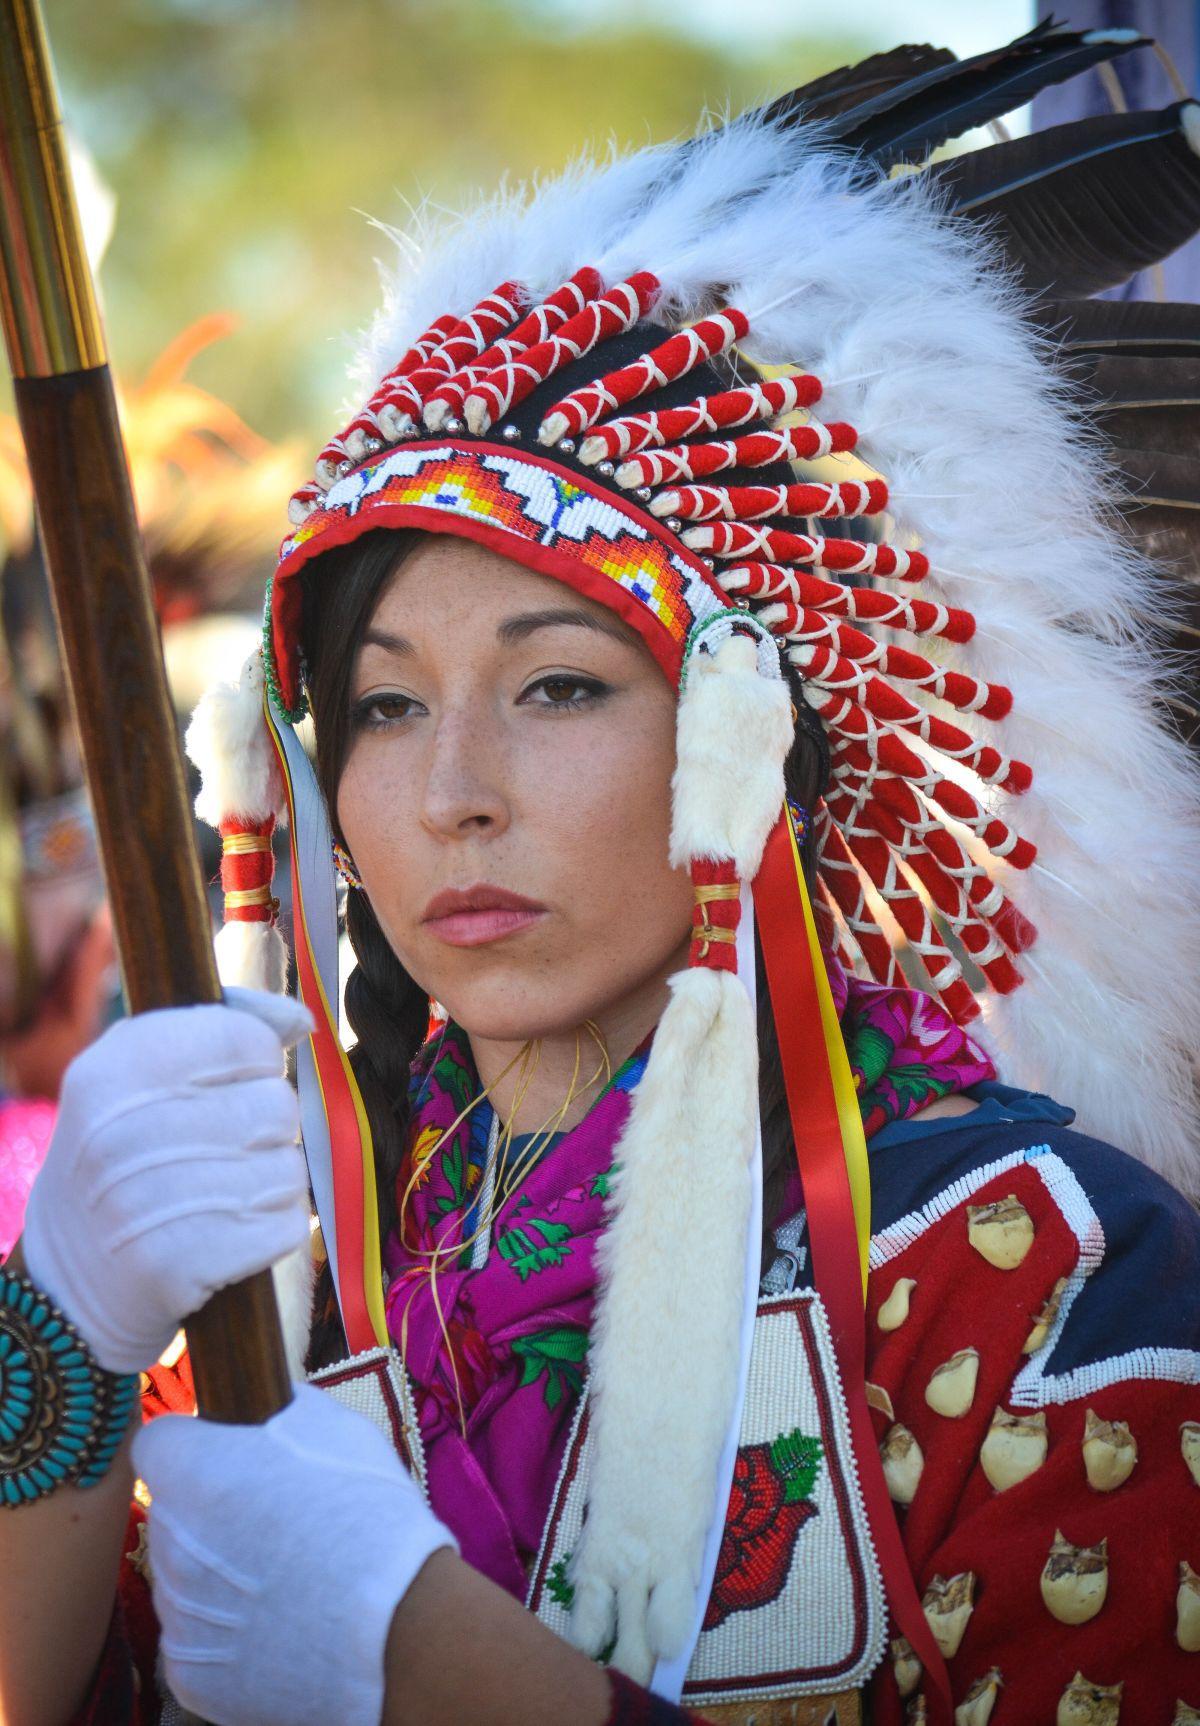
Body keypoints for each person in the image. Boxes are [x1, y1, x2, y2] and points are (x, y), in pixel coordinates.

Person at [3, 25, 1200, 1726]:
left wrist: (422, 1661)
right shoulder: (306, 1281)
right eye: (385, 706)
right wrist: (60, 1329)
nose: (452, 794)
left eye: (559, 684)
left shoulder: (1031, 1267)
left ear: (741, 744)